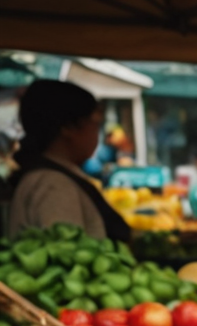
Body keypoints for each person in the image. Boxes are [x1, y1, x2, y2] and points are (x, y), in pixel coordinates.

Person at [7, 79, 129, 243]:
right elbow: (66, 257)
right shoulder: (53, 185)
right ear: (68, 128)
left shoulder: (50, 177)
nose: (96, 133)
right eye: (95, 124)